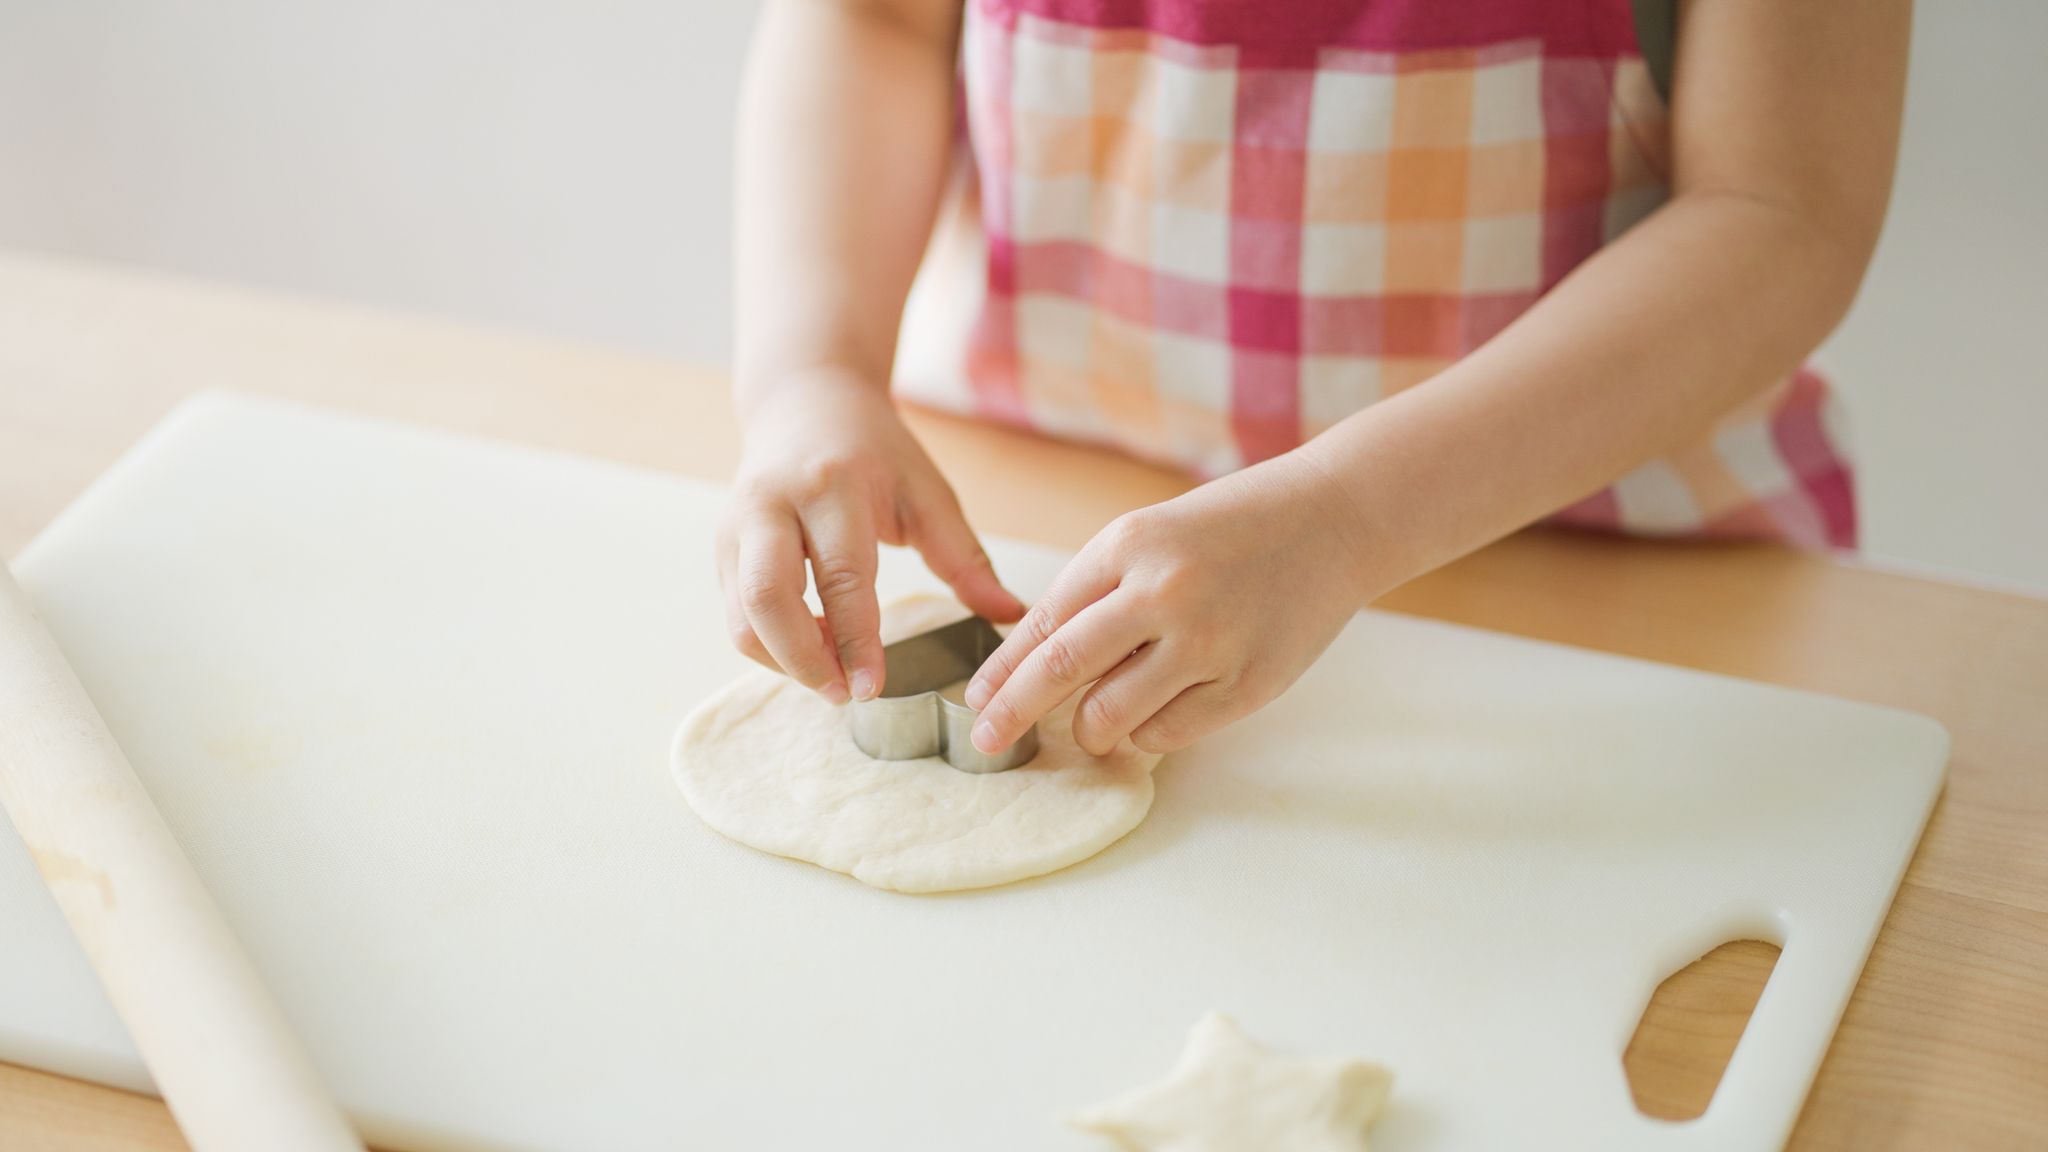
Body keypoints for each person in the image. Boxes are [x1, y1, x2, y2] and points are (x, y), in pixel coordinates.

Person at [716, 0, 1907, 760]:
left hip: (1625, 595)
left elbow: (1780, 210)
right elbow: (873, 21)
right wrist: (811, 374)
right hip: (1038, 497)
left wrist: (1346, 517)